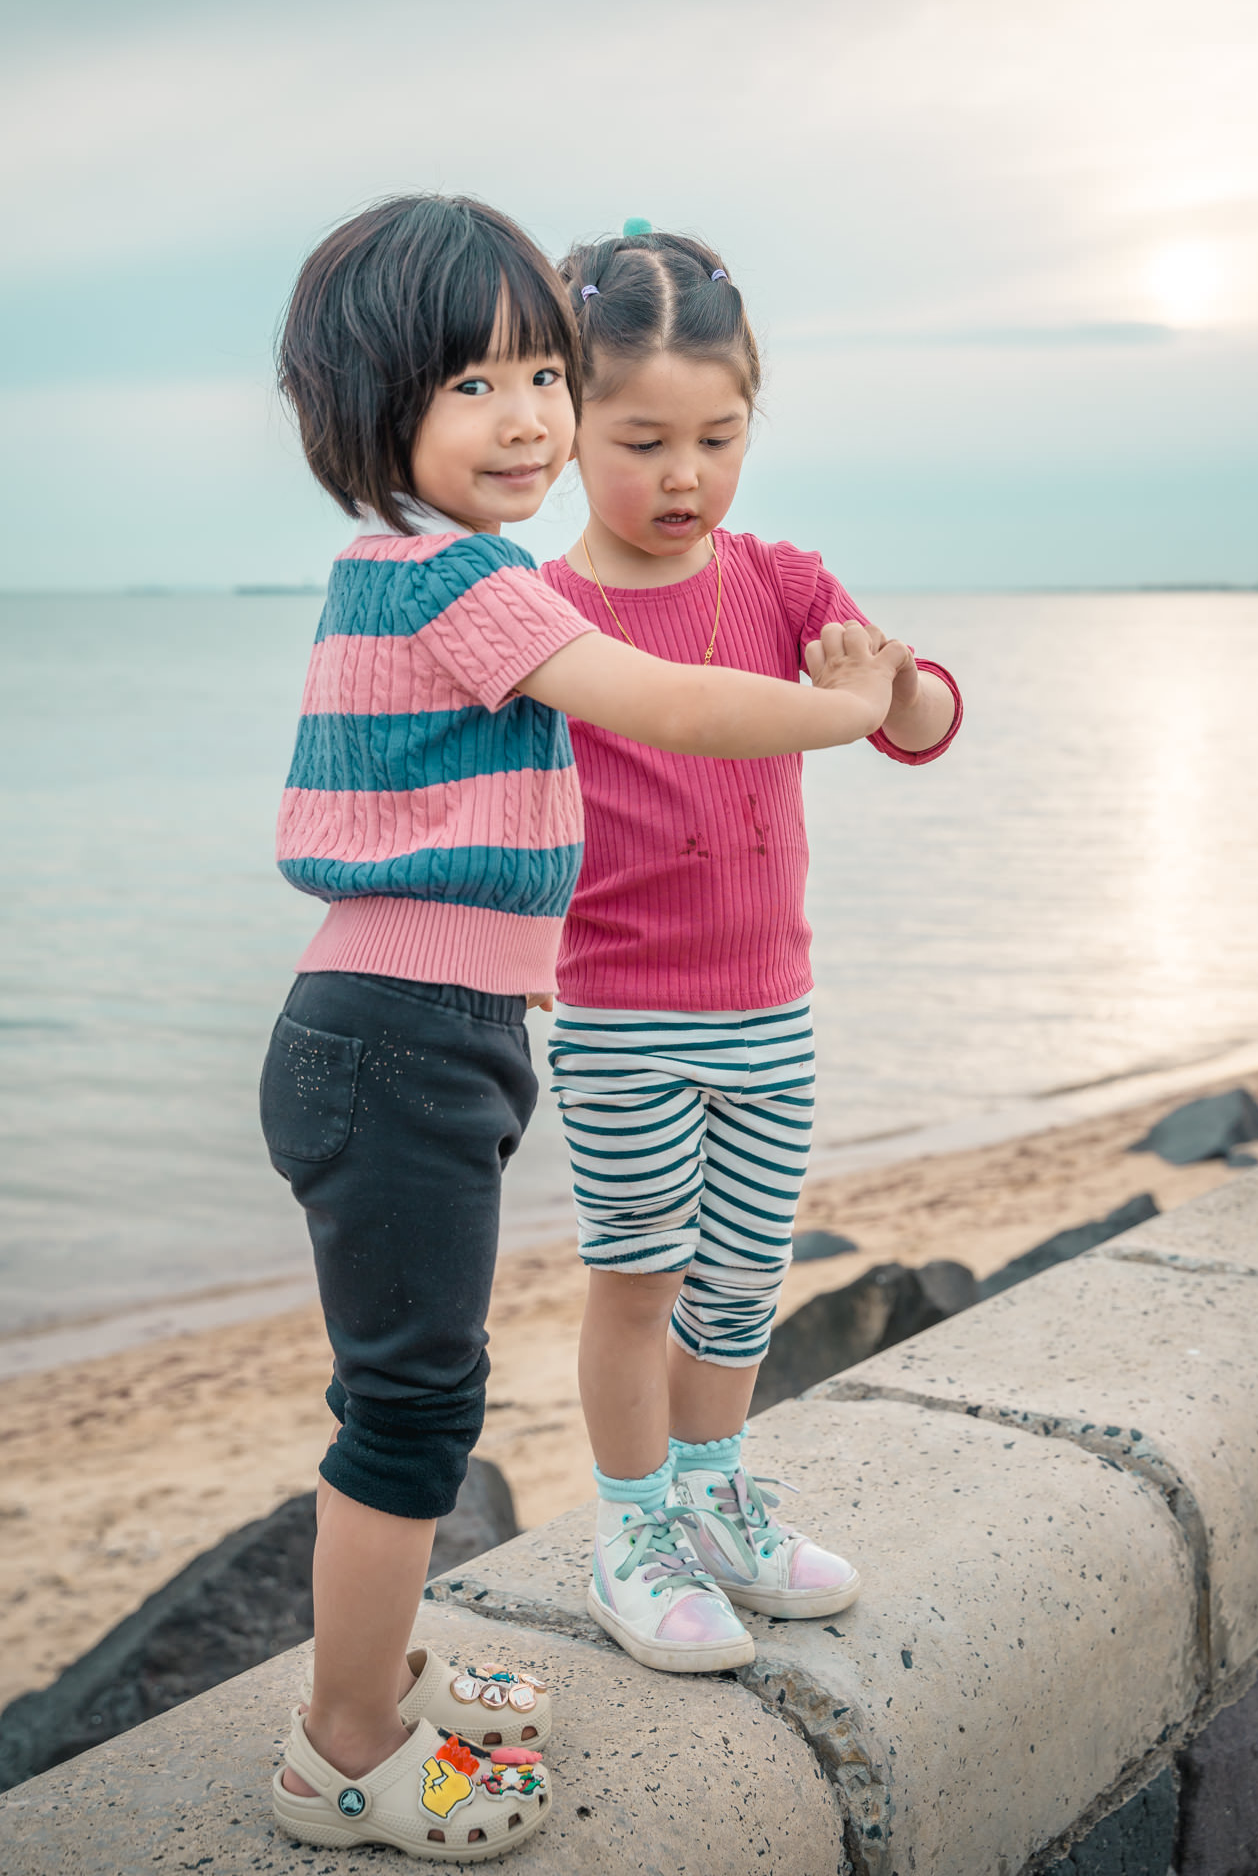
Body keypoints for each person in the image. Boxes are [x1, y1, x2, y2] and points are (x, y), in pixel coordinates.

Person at [258, 192, 910, 1862]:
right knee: (409, 1414)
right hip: (396, 1038)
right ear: (370, 406)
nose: (527, 417)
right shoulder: (453, 578)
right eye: (474, 384)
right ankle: (346, 1752)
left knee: (419, 1396)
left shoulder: (428, 574)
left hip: (431, 1028)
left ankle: (378, 1682)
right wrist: (839, 708)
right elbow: (666, 702)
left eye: (543, 375)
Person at [543, 222, 963, 1675]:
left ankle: (714, 1501)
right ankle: (632, 1534)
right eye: (643, 441)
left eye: (716, 440)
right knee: (636, 1276)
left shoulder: (779, 579)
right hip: (619, 1016)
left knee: (740, 1279)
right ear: (567, 425)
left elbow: (918, 720)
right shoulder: (548, 614)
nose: (684, 476)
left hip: (770, 1008)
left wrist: (884, 681)